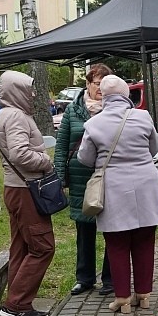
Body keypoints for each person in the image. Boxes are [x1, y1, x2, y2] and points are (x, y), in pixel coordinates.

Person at [77, 75, 158, 314]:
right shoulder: (143, 116)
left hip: (114, 187)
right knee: (145, 240)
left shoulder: (94, 124)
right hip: (146, 185)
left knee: (116, 244)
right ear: (127, 95)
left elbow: (85, 159)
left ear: (104, 96)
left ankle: (122, 298)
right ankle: (144, 294)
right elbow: (154, 149)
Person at [0, 70, 57, 316]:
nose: (32, 94)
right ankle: (17, 304)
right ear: (16, 91)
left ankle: (16, 299)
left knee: (21, 245)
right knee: (43, 247)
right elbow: (20, 154)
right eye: (28, 89)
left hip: (16, 188)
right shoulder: (17, 117)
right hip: (26, 189)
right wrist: (46, 161)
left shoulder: (5, 114)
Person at [55, 63, 114, 296]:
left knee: (112, 229)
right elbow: (61, 145)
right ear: (87, 84)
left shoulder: (113, 109)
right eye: (97, 83)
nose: (100, 88)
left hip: (107, 176)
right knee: (84, 229)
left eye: (104, 84)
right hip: (80, 178)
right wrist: (60, 176)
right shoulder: (73, 110)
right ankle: (85, 278)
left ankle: (110, 279)